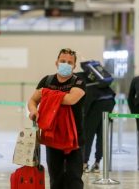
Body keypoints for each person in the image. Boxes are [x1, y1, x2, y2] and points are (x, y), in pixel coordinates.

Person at [28, 48, 86, 189]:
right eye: (63, 61)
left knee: (74, 178)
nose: (66, 64)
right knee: (55, 177)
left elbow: (71, 99)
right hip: (51, 136)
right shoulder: (47, 80)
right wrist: (34, 110)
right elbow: (32, 100)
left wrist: (46, 94)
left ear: (74, 66)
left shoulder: (78, 81)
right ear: (56, 62)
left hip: (75, 138)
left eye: (69, 62)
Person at [77, 72, 116, 173]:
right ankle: (97, 163)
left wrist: (84, 115)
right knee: (102, 135)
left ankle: (84, 163)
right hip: (110, 101)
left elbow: (86, 103)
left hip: (96, 104)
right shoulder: (97, 80)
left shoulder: (82, 81)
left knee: (88, 135)